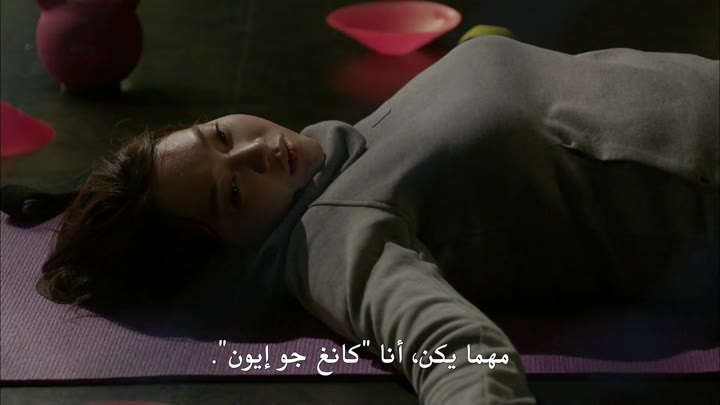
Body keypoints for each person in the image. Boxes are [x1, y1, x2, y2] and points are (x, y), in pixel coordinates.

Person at [38, 36, 718, 404]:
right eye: (233, 193)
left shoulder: (345, 150)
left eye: (219, 134)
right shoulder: (333, 234)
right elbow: (457, 353)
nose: (253, 151)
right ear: (231, 255)